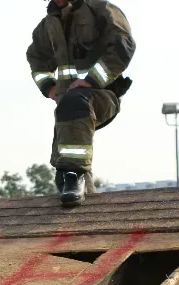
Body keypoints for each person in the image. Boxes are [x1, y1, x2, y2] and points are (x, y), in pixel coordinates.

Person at [27, 0, 135, 207]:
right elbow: (35, 57)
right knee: (64, 169)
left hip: (102, 95)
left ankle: (72, 174)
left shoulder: (99, 9)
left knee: (75, 106)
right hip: (68, 106)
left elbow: (124, 44)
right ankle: (77, 186)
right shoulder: (48, 24)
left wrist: (91, 80)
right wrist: (48, 86)